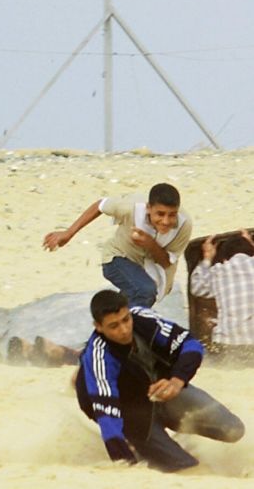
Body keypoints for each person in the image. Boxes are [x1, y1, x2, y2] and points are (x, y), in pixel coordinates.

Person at [76, 290, 244, 471]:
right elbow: (107, 415)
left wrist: (177, 380)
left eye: (126, 320)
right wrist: (124, 462)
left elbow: (190, 344)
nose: (124, 330)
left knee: (234, 430)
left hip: (164, 389)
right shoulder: (99, 356)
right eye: (114, 326)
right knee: (185, 467)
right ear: (98, 327)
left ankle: (169, 434)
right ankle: (141, 445)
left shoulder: (143, 318)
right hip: (129, 411)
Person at [43, 183, 191, 308]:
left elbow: (166, 262)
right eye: (160, 214)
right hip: (117, 258)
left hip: (151, 269)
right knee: (145, 291)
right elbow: (99, 205)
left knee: (138, 299)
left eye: (172, 215)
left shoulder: (184, 226)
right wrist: (68, 234)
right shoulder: (129, 208)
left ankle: (107, 337)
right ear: (148, 208)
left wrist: (150, 244)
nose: (165, 221)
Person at [191, 230, 254, 352]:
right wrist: (250, 243)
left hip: (227, 342)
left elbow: (196, 288)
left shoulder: (218, 271)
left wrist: (207, 258)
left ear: (225, 258)